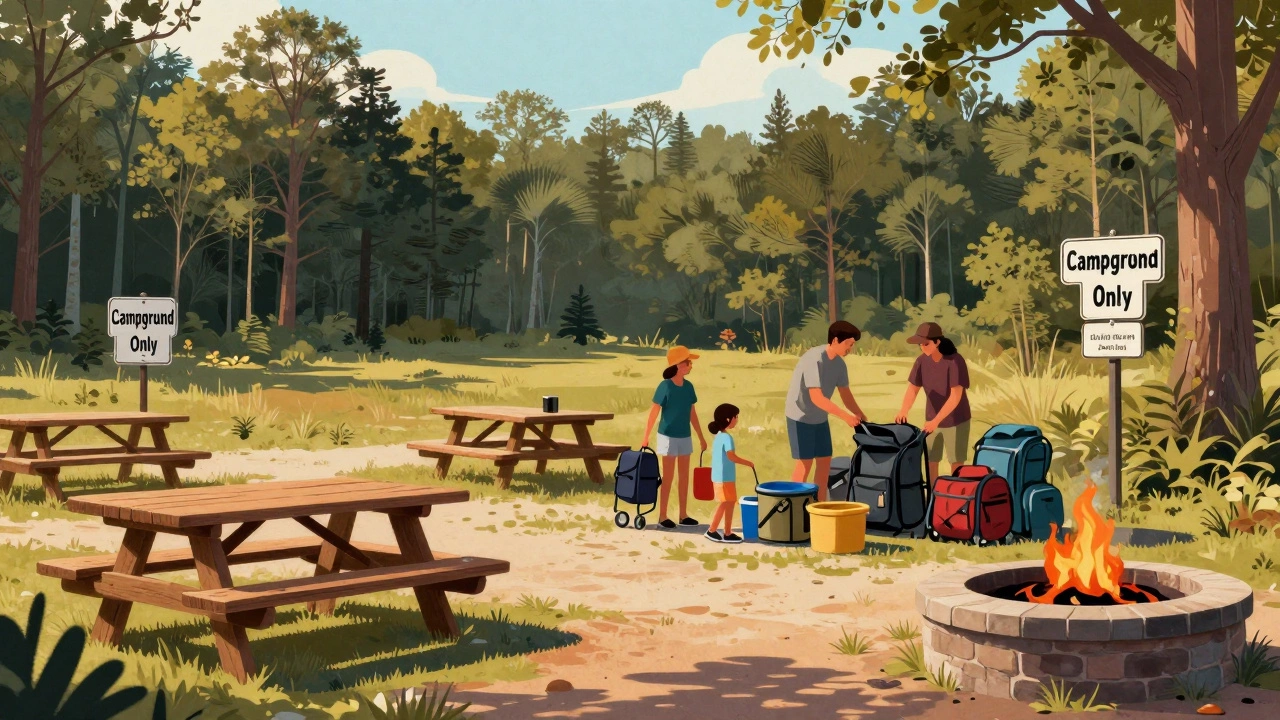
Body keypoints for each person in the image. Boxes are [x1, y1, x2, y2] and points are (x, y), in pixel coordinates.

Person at [785, 321, 866, 501]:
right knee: (804, 464)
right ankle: (793, 507)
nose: (850, 349)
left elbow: (846, 395)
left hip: (819, 418)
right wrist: (845, 416)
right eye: (849, 344)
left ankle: (820, 506)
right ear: (836, 340)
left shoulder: (840, 365)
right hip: (800, 416)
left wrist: (860, 415)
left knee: (824, 461)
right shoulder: (813, 358)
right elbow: (817, 397)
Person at [640, 345, 708, 529]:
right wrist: (645, 436)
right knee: (668, 477)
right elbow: (654, 413)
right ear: (678, 365)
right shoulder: (665, 386)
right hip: (667, 436)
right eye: (688, 362)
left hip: (684, 436)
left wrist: (701, 437)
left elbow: (692, 413)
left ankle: (683, 515)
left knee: (684, 477)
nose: (691, 365)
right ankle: (662, 515)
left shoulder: (689, 387)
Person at [894, 322, 972, 480]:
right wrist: (904, 410)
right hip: (931, 420)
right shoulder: (921, 361)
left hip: (956, 420)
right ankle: (932, 497)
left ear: (937, 342)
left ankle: (955, 498)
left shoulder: (955, 361)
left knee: (956, 463)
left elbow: (955, 396)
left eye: (926, 344)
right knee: (931, 460)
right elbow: (913, 388)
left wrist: (936, 421)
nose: (923, 347)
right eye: (920, 345)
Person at [705, 403, 753, 544]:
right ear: (727, 419)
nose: (737, 420)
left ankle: (727, 532)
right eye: (735, 417)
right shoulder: (726, 438)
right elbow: (731, 456)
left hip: (723, 477)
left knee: (730, 503)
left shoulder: (720, 436)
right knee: (725, 503)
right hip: (724, 477)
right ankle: (712, 530)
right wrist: (747, 463)